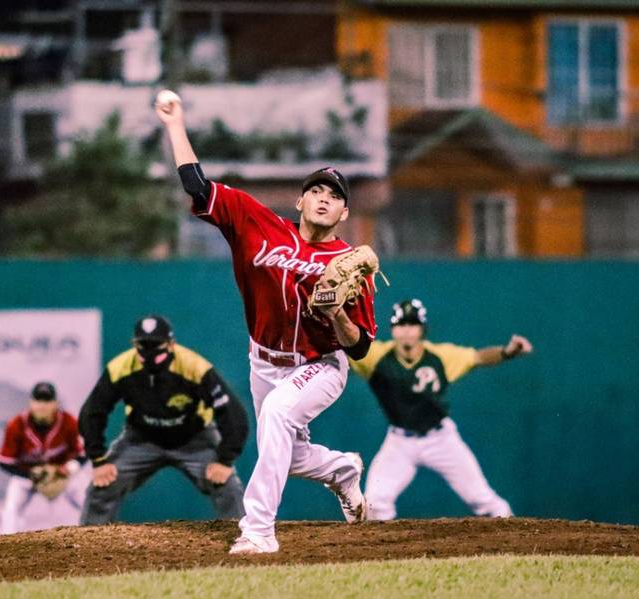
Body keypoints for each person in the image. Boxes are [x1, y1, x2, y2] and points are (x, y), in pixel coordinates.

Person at [156, 94, 378, 554]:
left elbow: (359, 349)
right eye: (316, 190)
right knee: (288, 453)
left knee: (277, 416)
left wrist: (336, 313)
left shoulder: (350, 264)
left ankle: (258, 531)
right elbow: (197, 186)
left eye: (334, 196)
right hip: (264, 360)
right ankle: (342, 471)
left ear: (344, 214)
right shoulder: (258, 223)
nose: (324, 198)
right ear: (299, 200)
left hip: (320, 364)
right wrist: (175, 124)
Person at [350, 298, 532, 521]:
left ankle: (516, 542)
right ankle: (386, 551)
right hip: (399, 442)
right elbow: (346, 351)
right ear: (392, 329)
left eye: (412, 324)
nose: (406, 330)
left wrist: (507, 351)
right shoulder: (376, 357)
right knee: (375, 503)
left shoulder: (440, 357)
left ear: (422, 329)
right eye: (401, 325)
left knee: (483, 499)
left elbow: (477, 357)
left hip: (441, 438)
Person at [78, 315, 248, 525]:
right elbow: (92, 412)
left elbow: (232, 413)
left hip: (195, 440)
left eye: (156, 345)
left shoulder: (194, 367)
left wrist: (224, 460)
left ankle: (245, 538)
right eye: (143, 345)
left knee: (227, 485)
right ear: (135, 345)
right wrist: (98, 460)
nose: (149, 351)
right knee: (102, 485)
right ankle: (87, 548)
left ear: (171, 344)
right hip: (141, 439)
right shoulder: (120, 367)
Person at [0, 381, 88, 534]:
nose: (42, 406)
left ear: (56, 403)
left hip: (60, 473)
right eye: (38, 400)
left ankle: (102, 538)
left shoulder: (68, 421)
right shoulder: (16, 424)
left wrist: (69, 468)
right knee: (10, 509)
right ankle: (5, 543)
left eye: (47, 401)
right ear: (30, 403)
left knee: (88, 499)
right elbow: (4, 462)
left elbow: (83, 454)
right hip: (27, 476)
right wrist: (31, 474)